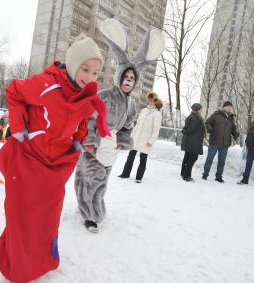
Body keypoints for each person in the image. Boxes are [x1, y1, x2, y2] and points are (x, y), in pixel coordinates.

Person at [0, 35, 110, 282]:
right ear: (72, 65)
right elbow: (13, 91)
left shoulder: (86, 96)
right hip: (27, 158)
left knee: (46, 218)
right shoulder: (46, 85)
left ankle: (42, 261)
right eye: (85, 69)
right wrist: (17, 125)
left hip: (55, 167)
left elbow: (81, 120)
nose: (90, 78)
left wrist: (79, 139)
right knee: (21, 215)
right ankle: (17, 264)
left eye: (96, 73)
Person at [74, 18, 165, 233]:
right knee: (89, 178)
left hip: (110, 145)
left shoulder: (131, 103)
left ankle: (87, 209)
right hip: (94, 143)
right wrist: (90, 142)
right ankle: (91, 216)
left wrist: (122, 141)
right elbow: (89, 118)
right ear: (119, 76)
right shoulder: (104, 95)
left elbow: (128, 125)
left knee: (100, 180)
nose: (129, 80)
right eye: (126, 76)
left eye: (133, 78)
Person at [118, 92, 163, 183]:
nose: (149, 102)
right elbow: (137, 125)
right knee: (131, 156)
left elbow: (156, 130)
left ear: (155, 101)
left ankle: (139, 178)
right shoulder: (144, 110)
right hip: (136, 137)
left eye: (151, 100)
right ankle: (125, 173)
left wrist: (151, 141)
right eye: (148, 100)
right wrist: (132, 135)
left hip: (146, 140)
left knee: (143, 158)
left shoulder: (157, 114)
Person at [202, 101, 239, 183]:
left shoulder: (231, 118)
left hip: (225, 144)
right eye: (228, 106)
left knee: (222, 161)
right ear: (224, 107)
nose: (230, 108)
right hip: (214, 141)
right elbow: (207, 123)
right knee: (209, 159)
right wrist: (210, 130)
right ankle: (205, 174)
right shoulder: (216, 115)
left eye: (231, 107)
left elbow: (233, 129)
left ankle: (218, 176)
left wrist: (235, 134)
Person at [180, 103, 206, 182]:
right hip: (193, 142)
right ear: (198, 109)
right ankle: (187, 176)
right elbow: (191, 129)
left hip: (190, 141)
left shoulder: (192, 116)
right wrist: (185, 131)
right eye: (201, 108)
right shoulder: (196, 117)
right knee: (192, 158)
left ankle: (183, 173)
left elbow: (189, 128)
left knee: (187, 158)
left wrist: (185, 131)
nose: (202, 110)